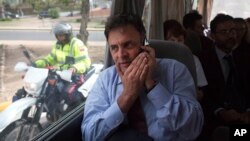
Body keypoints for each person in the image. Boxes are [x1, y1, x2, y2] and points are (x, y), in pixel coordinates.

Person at [82, 14, 204, 141]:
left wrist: (152, 86)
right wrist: (127, 96)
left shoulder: (175, 70)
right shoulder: (105, 80)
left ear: (144, 43)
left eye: (128, 45)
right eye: (114, 48)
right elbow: (90, 136)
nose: (121, 55)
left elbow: (193, 129)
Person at [197, 14, 250, 141]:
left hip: (244, 115)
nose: (231, 36)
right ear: (213, 36)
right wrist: (220, 111)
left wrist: (248, 111)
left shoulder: (245, 57)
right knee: (230, 134)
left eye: (233, 30)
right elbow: (201, 95)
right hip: (216, 118)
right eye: (224, 32)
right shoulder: (202, 60)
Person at [34, 22, 91, 108]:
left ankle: (75, 113)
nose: (60, 38)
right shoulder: (57, 45)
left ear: (68, 35)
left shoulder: (76, 44)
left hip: (76, 75)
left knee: (68, 92)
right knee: (48, 90)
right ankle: (54, 112)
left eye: (62, 35)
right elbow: (50, 59)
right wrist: (36, 64)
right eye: (58, 35)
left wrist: (74, 68)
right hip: (61, 74)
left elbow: (85, 62)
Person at [163, 19, 208, 101]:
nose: (177, 44)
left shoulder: (192, 59)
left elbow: (201, 88)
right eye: (172, 40)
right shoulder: (158, 59)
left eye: (180, 40)